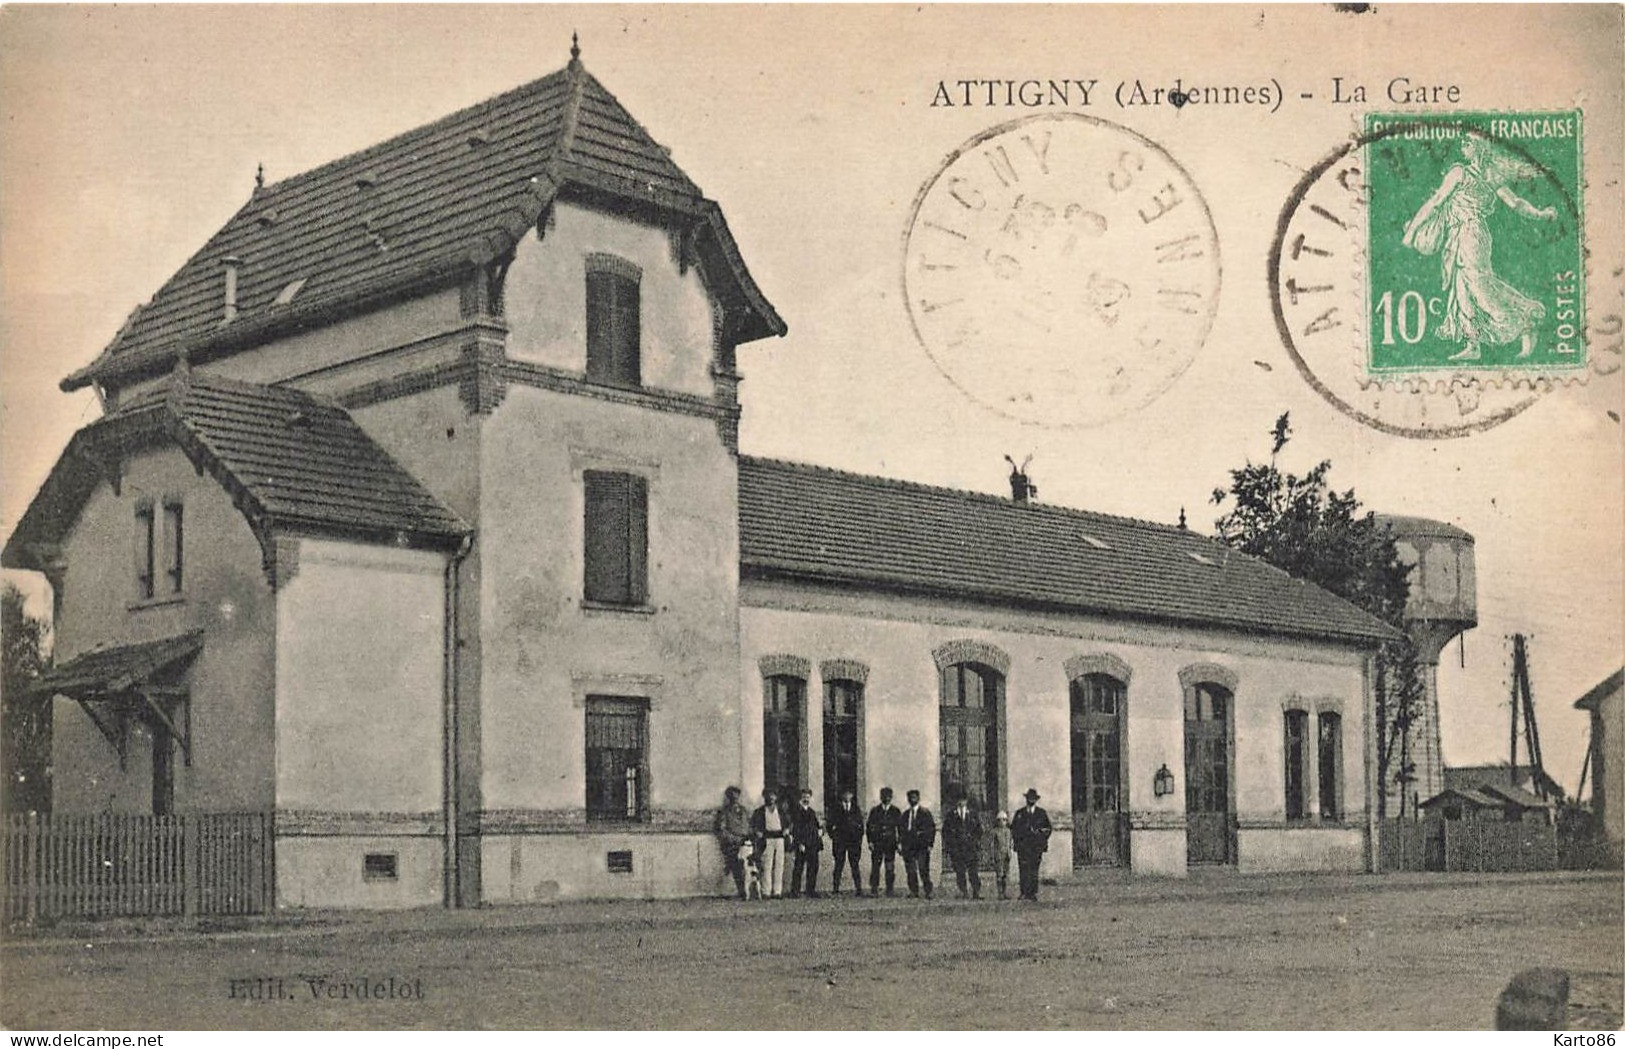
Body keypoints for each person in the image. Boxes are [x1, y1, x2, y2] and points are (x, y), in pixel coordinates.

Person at [1402, 134, 1559, 361]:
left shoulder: (1469, 174)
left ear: (1480, 149)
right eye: (1463, 142)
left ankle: (1526, 320)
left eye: (1468, 143)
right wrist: (1413, 230)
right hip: (1461, 235)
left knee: (1479, 285)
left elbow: (1514, 203)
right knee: (1462, 286)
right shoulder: (1474, 174)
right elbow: (1436, 202)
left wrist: (1540, 214)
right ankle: (1473, 344)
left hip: (1471, 234)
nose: (1463, 146)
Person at [1011, 788, 1053, 901]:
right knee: (1023, 869)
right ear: (1026, 799)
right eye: (1029, 798)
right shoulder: (1020, 813)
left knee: (1034, 869)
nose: (1031, 800)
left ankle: (1033, 892)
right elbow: (1014, 829)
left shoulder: (1041, 813)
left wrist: (1041, 837)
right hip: (1023, 846)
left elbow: (1048, 828)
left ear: (1036, 800)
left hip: (1036, 846)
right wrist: (1018, 840)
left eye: (1033, 799)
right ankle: (1023, 892)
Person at [941, 795, 983, 899]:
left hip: (970, 848)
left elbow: (979, 830)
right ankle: (963, 891)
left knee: (973, 871)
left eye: (963, 800)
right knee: (960, 871)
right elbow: (945, 831)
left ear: (966, 801)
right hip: (957, 848)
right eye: (959, 800)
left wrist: (974, 841)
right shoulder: (951, 815)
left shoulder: (972, 814)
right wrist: (951, 845)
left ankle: (976, 891)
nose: (961, 802)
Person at [714, 786, 751, 899]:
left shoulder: (744, 811)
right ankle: (741, 891)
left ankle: (748, 890)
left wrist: (748, 837)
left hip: (745, 842)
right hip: (732, 844)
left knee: (749, 866)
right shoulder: (724, 812)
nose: (735, 798)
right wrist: (733, 839)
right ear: (728, 797)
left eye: (737, 796)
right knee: (736, 867)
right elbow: (721, 829)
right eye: (732, 796)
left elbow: (748, 825)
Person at [899, 788, 937, 899]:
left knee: (923, 869)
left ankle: (928, 891)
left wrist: (930, 844)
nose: (912, 799)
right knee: (910, 870)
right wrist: (900, 844)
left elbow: (931, 829)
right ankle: (913, 891)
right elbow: (901, 830)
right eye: (910, 798)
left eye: (914, 797)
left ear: (918, 799)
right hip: (909, 846)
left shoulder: (925, 813)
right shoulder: (905, 815)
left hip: (922, 846)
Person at [826, 787, 865, 896]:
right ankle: (835, 888)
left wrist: (858, 839)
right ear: (842, 796)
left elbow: (861, 825)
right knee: (838, 865)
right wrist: (833, 836)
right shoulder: (835, 808)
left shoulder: (856, 809)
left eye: (849, 794)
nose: (847, 796)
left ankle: (858, 889)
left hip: (853, 842)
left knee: (855, 865)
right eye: (845, 794)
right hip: (840, 841)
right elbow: (829, 824)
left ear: (852, 796)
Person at [751, 788, 788, 899]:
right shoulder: (760, 811)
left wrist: (787, 829)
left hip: (780, 839)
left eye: (773, 795)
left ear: (776, 797)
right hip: (767, 839)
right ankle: (766, 891)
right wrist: (758, 832)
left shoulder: (781, 811)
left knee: (779, 865)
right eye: (769, 795)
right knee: (767, 865)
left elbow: (788, 823)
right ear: (765, 796)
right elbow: (754, 825)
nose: (771, 797)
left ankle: (777, 891)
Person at [866, 787, 903, 896]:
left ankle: (889, 889)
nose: (886, 798)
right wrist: (870, 841)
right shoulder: (875, 811)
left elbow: (900, 829)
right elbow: (869, 827)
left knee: (890, 867)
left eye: (888, 796)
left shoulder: (895, 811)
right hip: (877, 843)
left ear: (891, 797)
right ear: (880, 797)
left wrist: (899, 843)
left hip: (890, 843)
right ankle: (874, 889)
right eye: (884, 796)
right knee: (875, 867)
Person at [790, 788, 825, 898]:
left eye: (808, 797)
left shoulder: (812, 812)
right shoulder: (796, 811)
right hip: (802, 844)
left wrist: (820, 831)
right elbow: (796, 829)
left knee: (813, 867)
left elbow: (816, 827)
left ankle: (810, 890)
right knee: (799, 867)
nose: (806, 799)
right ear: (801, 798)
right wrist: (799, 843)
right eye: (804, 797)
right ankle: (795, 891)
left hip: (812, 844)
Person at [990, 811, 1014, 899]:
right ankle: (1000, 893)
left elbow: (1010, 843)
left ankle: (1004, 892)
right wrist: (993, 856)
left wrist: (1010, 851)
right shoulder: (995, 832)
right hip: (998, 855)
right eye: (1000, 820)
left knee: (1005, 875)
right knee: (999, 875)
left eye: (1004, 820)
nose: (1002, 822)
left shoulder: (1008, 831)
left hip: (1006, 855)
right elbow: (992, 845)